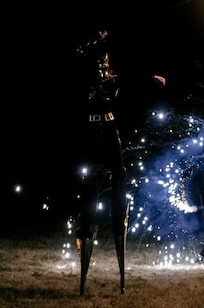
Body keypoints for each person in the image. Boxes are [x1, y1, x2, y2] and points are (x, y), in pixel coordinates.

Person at [74, 30, 166, 295]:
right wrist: (98, 39)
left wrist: (151, 79)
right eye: (102, 62)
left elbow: (129, 80)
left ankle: (119, 212)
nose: (106, 66)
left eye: (106, 62)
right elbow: (82, 54)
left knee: (119, 172)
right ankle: (87, 219)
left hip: (109, 128)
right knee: (89, 179)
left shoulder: (110, 76)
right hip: (92, 133)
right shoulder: (87, 71)